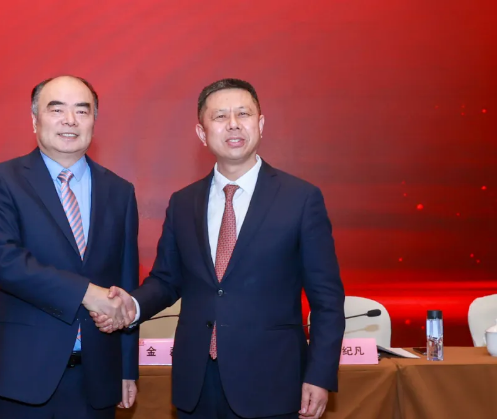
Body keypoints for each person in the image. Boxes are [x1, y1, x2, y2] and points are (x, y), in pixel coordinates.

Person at [92, 78, 345, 419]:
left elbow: (327, 299)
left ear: (260, 124)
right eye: (220, 116)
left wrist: (320, 374)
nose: (233, 124)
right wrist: (132, 306)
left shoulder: (301, 199)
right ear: (202, 132)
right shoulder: (183, 203)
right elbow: (167, 280)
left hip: (272, 381)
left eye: (243, 114)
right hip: (197, 383)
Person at [0, 75, 139, 419]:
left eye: (82, 110)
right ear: (34, 120)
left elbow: (126, 283)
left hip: (97, 377)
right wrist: (87, 293)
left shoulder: (120, 191)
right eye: (57, 109)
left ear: (94, 121)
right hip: (23, 375)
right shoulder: (3, 180)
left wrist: (127, 367)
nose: (70, 120)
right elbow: (6, 263)